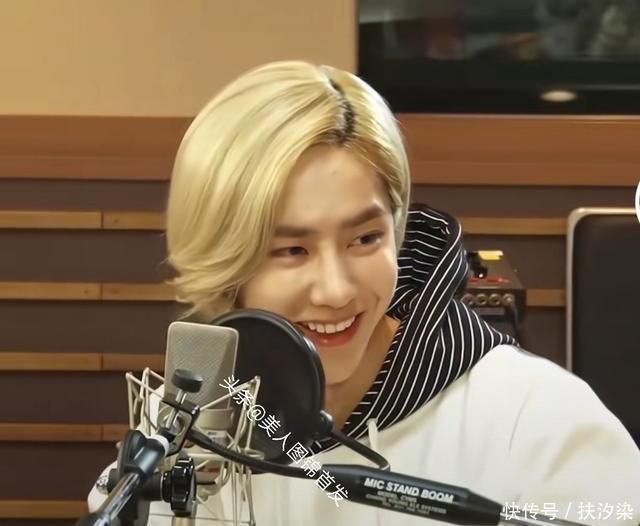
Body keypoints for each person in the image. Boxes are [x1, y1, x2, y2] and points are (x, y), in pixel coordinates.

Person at [89, 61, 640, 525]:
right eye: (292, 250)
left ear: (397, 231)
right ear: (226, 265)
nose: (335, 291)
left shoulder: (534, 418)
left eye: (365, 239)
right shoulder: (189, 421)